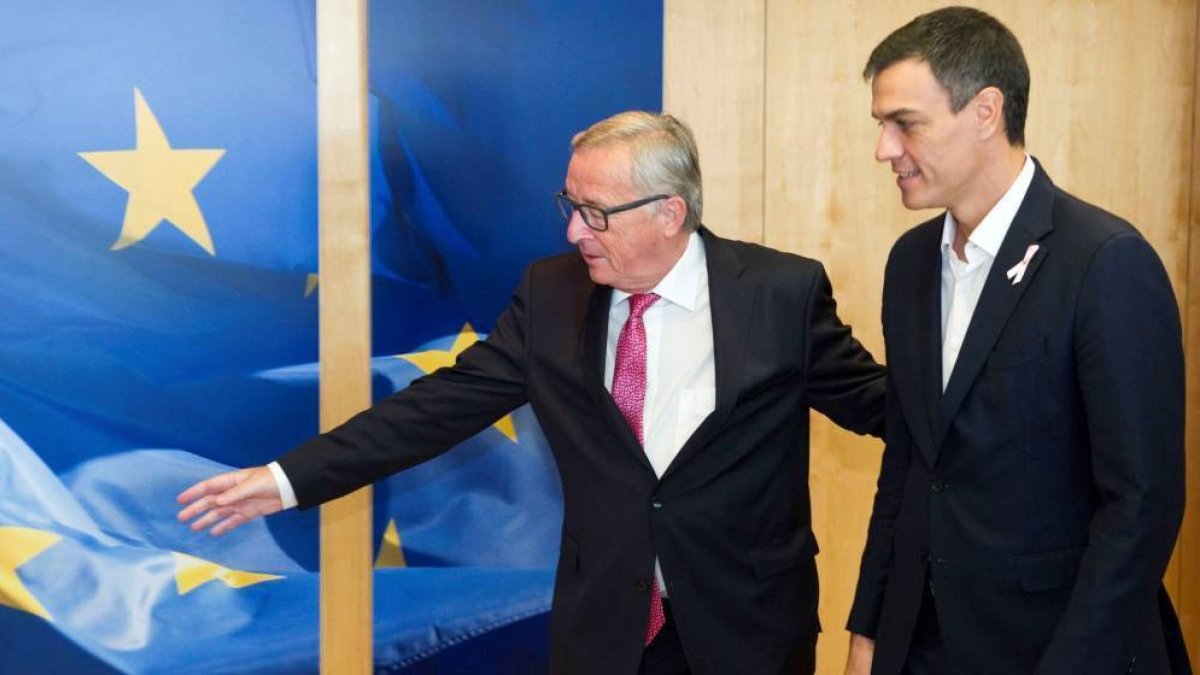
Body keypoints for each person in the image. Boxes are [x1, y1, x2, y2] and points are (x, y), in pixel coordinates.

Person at [179, 110, 886, 675]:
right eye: (569, 205)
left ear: (669, 214)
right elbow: (438, 407)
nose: (573, 230)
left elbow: (881, 407)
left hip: (748, 630)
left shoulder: (780, 293)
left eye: (595, 212)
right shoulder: (552, 295)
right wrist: (288, 478)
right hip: (605, 630)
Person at [844, 7, 1189, 675]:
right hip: (922, 643)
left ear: (986, 110)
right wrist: (870, 628)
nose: (883, 149)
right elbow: (909, 467)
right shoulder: (910, 264)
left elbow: (1141, 505)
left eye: (904, 124)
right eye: (880, 126)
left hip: (1060, 645)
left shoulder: (1104, 260)